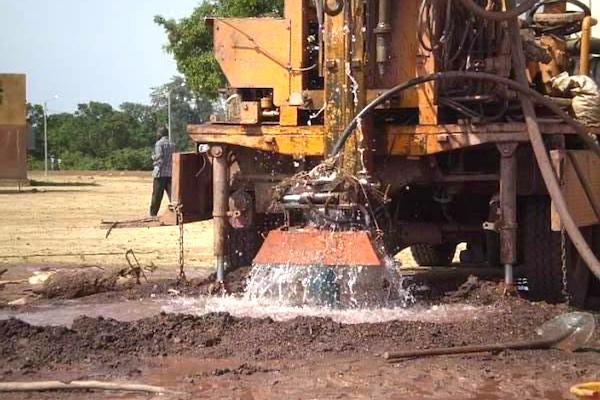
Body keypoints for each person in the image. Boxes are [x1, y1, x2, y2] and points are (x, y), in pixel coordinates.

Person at [150, 127, 174, 216]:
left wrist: (153, 157)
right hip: (170, 172)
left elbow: (159, 155)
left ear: (160, 133)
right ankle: (177, 213)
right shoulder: (172, 144)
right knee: (172, 196)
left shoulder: (159, 144)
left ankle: (153, 214)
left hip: (160, 172)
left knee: (156, 195)